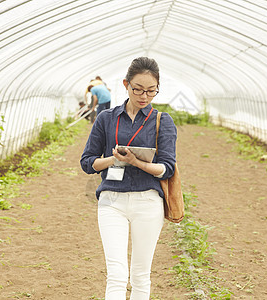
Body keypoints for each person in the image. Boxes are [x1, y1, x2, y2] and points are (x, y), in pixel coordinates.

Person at [80, 57, 177, 300]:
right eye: (138, 89)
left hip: (148, 202)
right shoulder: (106, 119)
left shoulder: (162, 122)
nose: (144, 96)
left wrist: (137, 162)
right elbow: (87, 162)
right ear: (126, 84)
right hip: (112, 201)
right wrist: (113, 160)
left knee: (141, 275)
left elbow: (167, 168)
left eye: (151, 91)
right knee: (116, 274)